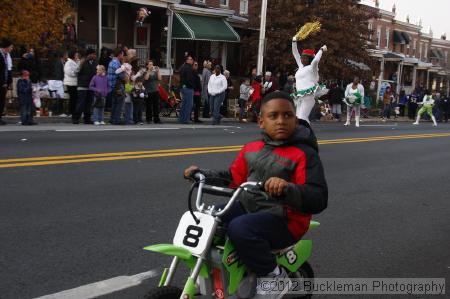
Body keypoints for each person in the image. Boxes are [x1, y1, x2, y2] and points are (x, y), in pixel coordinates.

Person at [183, 91, 327, 298]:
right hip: (250, 207)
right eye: (273, 116)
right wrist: (203, 175)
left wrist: (287, 188)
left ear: (296, 120)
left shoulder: (305, 154)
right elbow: (233, 177)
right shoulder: (252, 148)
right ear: (261, 122)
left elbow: (318, 197)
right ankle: (203, 273)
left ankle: (272, 276)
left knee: (240, 227)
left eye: (287, 115)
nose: (281, 121)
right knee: (210, 218)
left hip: (286, 219)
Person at [292, 37, 327, 123]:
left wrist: (321, 50)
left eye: (305, 58)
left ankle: (305, 133)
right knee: (297, 117)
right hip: (300, 96)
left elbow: (315, 61)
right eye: (302, 58)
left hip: (308, 96)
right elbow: (295, 53)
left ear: (309, 59)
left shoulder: (312, 68)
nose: (302, 59)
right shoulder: (300, 66)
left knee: (302, 117)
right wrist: (294, 41)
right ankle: (304, 133)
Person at [73, 48, 98, 124]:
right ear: (89, 54)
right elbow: (75, 71)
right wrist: (80, 64)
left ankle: (87, 119)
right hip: (82, 85)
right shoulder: (82, 61)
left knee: (89, 103)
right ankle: (76, 118)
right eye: (93, 54)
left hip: (91, 86)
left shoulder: (95, 62)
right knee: (81, 103)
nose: (94, 55)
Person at [107, 48, 124, 124]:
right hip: (117, 86)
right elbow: (121, 76)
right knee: (119, 104)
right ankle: (116, 120)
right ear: (119, 54)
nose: (123, 56)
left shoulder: (111, 62)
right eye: (122, 54)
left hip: (111, 85)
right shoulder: (117, 63)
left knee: (114, 104)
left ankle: (112, 119)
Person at [143, 59, 162, 124]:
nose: (151, 66)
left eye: (152, 64)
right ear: (147, 66)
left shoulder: (155, 72)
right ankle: (149, 119)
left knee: (156, 106)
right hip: (148, 91)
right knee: (149, 106)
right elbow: (146, 78)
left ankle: (156, 119)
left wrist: (158, 70)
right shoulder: (145, 72)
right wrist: (149, 70)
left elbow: (159, 78)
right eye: (150, 64)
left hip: (155, 91)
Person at [48, 51, 66, 115]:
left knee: (59, 97)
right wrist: (60, 81)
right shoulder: (59, 63)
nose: (66, 56)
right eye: (66, 55)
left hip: (59, 82)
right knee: (59, 97)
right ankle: (56, 111)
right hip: (58, 82)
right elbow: (58, 73)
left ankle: (55, 110)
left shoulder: (62, 62)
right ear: (63, 56)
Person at [0, 38, 13, 125]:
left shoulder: (6, 55)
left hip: (4, 83)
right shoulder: (1, 55)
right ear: (6, 47)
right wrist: (2, 82)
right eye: (11, 47)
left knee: (1, 101)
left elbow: (7, 70)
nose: (11, 49)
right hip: (1, 83)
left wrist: (8, 82)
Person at [63, 49, 80, 117]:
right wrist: (76, 72)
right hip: (70, 83)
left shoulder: (76, 62)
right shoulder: (68, 63)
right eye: (76, 55)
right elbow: (69, 72)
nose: (77, 56)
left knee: (75, 98)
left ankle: (73, 111)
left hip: (75, 83)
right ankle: (71, 112)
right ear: (73, 55)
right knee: (73, 98)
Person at [179, 55, 195, 124]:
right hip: (188, 88)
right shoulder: (189, 68)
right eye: (190, 59)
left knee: (184, 104)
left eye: (192, 59)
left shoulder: (182, 67)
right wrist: (193, 85)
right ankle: (185, 119)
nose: (192, 60)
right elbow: (189, 79)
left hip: (183, 87)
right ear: (187, 60)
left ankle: (182, 119)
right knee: (189, 104)